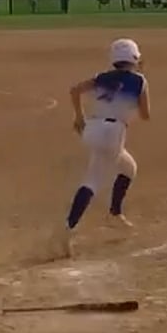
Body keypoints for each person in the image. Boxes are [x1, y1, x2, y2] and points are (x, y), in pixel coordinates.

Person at [57, 38, 151, 255]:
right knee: (93, 180)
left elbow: (75, 90)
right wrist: (136, 91)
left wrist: (78, 116)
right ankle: (68, 228)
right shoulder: (139, 80)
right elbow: (145, 115)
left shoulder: (102, 77)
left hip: (92, 129)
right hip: (113, 134)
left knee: (129, 168)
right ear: (134, 58)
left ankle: (115, 213)